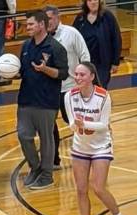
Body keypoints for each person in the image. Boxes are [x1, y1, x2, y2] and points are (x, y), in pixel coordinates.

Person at [65, 62, 129, 215]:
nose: (78, 77)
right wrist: (75, 125)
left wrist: (84, 124)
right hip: (80, 146)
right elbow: (71, 123)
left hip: (101, 146)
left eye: (82, 74)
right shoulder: (70, 95)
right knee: (80, 188)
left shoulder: (103, 96)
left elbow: (103, 124)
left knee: (98, 187)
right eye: (76, 74)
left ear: (92, 76)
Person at [17, 10, 69, 190]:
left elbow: (63, 74)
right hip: (25, 100)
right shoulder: (25, 46)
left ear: (41, 25)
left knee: (47, 139)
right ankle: (35, 167)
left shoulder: (56, 48)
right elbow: (22, 71)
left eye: (31, 24)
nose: (28, 27)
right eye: (27, 24)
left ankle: (47, 175)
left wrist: (45, 69)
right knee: (23, 135)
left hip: (47, 102)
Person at [45, 5, 91, 171]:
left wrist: (84, 81)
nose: (47, 22)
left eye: (49, 19)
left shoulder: (71, 33)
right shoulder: (41, 37)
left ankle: (89, 153)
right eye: (44, 19)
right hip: (50, 89)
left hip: (71, 88)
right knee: (49, 125)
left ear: (58, 17)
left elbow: (85, 56)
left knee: (75, 122)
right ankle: (54, 160)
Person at [72, 0, 121, 88]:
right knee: (86, 88)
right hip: (85, 62)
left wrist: (115, 62)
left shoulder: (108, 17)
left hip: (103, 63)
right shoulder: (80, 19)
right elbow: (73, 40)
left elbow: (116, 38)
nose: (93, 2)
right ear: (85, 2)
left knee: (100, 88)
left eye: (95, 0)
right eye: (90, 0)